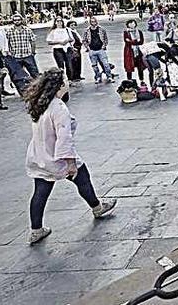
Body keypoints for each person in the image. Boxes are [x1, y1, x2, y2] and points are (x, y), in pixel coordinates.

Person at [24, 68, 116, 244]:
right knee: (82, 177)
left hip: (39, 156)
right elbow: (64, 138)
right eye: (65, 81)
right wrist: (70, 163)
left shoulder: (40, 103)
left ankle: (36, 230)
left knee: (41, 191)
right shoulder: (59, 108)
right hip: (56, 157)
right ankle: (97, 207)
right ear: (60, 86)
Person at [5, 13, 40, 92]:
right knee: (17, 76)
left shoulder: (27, 30)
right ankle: (22, 91)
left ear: (21, 20)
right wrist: (9, 53)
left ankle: (38, 89)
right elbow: (7, 43)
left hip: (27, 55)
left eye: (18, 20)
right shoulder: (9, 31)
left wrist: (33, 52)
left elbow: (33, 41)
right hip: (16, 56)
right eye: (15, 20)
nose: (17, 21)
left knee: (35, 73)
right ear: (13, 21)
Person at [82, 17, 116, 84]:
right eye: (92, 21)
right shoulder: (87, 30)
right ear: (90, 22)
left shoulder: (101, 29)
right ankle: (97, 77)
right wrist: (88, 48)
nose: (93, 23)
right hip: (92, 50)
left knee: (106, 64)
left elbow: (105, 38)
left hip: (101, 49)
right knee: (94, 65)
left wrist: (104, 46)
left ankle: (109, 76)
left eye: (94, 21)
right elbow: (84, 40)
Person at [46, 18, 77, 83]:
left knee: (69, 65)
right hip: (58, 48)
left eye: (61, 21)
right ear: (55, 22)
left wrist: (67, 40)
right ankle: (63, 80)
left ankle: (70, 79)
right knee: (60, 66)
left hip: (67, 48)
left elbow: (72, 39)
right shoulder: (53, 31)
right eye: (58, 21)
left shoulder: (67, 29)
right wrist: (59, 42)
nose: (59, 23)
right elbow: (49, 41)